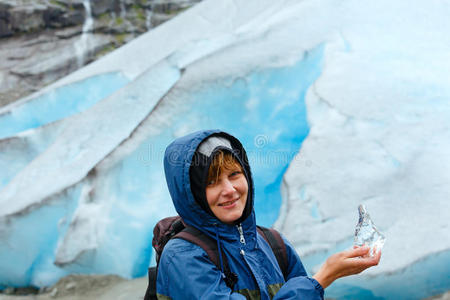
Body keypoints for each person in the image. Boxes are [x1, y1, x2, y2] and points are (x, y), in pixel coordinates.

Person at [157, 129, 381, 299]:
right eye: (212, 181)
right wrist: (324, 277)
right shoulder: (183, 256)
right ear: (192, 193)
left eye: (234, 174)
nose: (229, 190)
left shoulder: (273, 243)